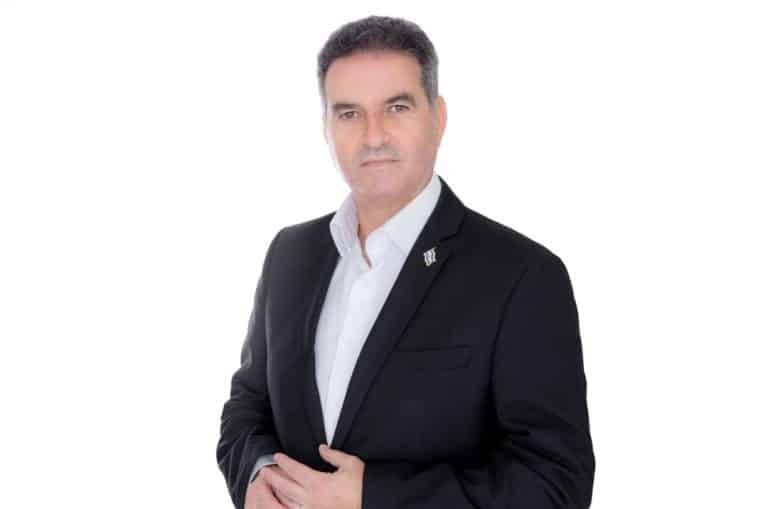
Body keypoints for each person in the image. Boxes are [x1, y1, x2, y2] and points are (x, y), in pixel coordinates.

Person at [216, 15, 595, 509]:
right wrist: (257, 472)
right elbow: (247, 407)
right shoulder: (291, 254)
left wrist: (373, 497)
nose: (373, 136)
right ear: (326, 127)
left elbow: (556, 484)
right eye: (349, 113)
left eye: (396, 107)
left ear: (438, 117)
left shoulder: (522, 275)